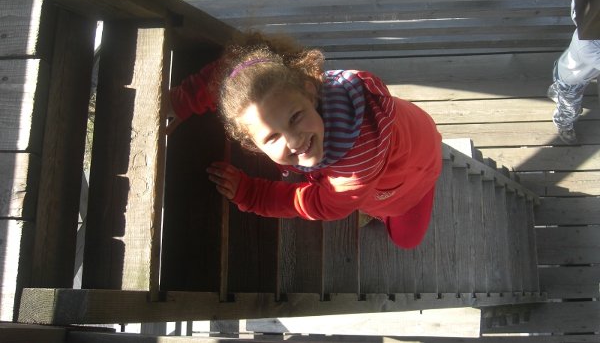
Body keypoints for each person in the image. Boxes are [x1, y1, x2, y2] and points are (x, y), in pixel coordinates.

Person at [169, 31, 442, 249]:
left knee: (406, 240)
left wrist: (251, 193)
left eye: (295, 118)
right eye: (272, 136)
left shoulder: (354, 168)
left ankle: (384, 208)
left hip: (411, 174)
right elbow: (238, 79)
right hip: (413, 130)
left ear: (311, 93)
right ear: (253, 145)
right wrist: (178, 102)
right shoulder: (293, 89)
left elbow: (321, 204)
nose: (293, 140)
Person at [547, 0, 600, 144]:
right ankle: (564, 126)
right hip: (572, 81)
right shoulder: (587, 46)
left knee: (562, 87)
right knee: (570, 110)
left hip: (566, 68)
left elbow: (578, 1)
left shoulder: (586, 26)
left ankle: (556, 91)